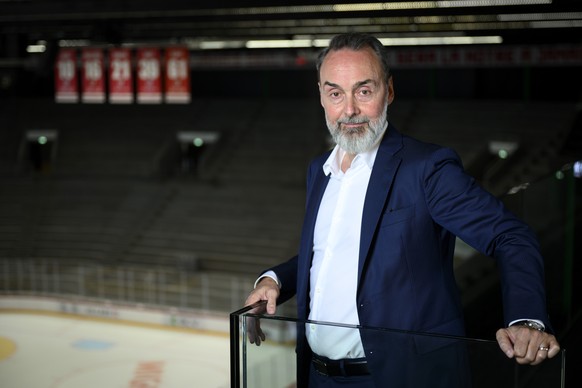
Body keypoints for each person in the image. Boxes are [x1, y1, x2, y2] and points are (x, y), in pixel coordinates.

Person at [244, 33, 560, 388]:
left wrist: (527, 321)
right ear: (321, 96)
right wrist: (275, 279)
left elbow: (510, 235)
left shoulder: (426, 169)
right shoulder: (320, 169)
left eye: (364, 91)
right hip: (319, 378)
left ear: (388, 91)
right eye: (335, 93)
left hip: (400, 378)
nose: (349, 110)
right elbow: (331, 253)